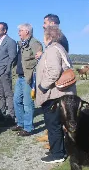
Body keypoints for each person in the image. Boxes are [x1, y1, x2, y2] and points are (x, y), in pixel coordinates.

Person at [36, 25, 77, 164]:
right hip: (62, 95)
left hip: (54, 95)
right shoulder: (60, 48)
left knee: (53, 125)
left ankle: (57, 154)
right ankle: (59, 149)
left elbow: (54, 71)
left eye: (44, 36)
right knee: (59, 125)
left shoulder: (53, 49)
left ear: (49, 37)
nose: (43, 39)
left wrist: (42, 86)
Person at [35, 14, 69, 143]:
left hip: (56, 88)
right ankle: (51, 137)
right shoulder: (57, 38)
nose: (43, 25)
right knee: (54, 119)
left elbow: (57, 61)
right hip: (54, 85)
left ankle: (56, 142)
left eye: (45, 22)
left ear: (52, 23)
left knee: (56, 118)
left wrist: (43, 86)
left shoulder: (59, 39)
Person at [11, 23, 43, 136]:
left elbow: (40, 59)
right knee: (16, 100)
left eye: (20, 30)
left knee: (27, 103)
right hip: (20, 77)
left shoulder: (34, 43)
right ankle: (20, 123)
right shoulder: (21, 44)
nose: (18, 33)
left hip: (28, 77)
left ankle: (28, 128)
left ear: (27, 31)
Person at [0, 22, 17, 127]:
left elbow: (12, 57)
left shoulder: (10, 42)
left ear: (5, 30)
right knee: (0, 94)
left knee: (8, 94)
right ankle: (2, 113)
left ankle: (11, 116)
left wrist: (7, 70)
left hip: (4, 73)